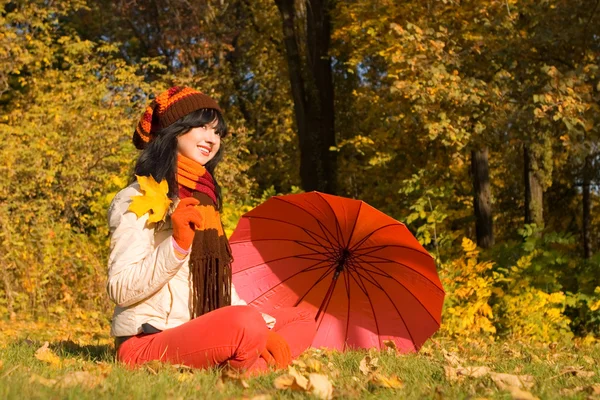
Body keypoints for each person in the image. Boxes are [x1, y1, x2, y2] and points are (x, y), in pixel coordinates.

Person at [106, 86, 316, 371]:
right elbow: (120, 289)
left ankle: (251, 366)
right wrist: (177, 245)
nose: (212, 139)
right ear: (174, 130)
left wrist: (263, 326)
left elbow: (221, 287)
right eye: (202, 127)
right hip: (148, 340)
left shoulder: (205, 200)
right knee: (246, 324)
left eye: (217, 132)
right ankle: (252, 361)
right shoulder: (136, 198)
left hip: (200, 329)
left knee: (302, 318)